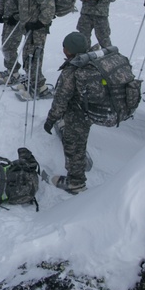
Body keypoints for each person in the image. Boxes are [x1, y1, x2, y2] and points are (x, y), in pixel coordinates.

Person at [42, 32, 97, 194]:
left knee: (73, 146)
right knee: (80, 139)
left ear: (69, 50)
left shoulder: (71, 71)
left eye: (65, 46)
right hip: (91, 110)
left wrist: (50, 120)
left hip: (77, 114)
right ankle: (80, 160)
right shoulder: (93, 60)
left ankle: (76, 183)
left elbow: (60, 101)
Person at [12, 0, 56, 98]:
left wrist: (40, 23)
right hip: (29, 27)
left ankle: (39, 87)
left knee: (34, 57)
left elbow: (49, 5)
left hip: (37, 29)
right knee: (27, 56)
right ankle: (31, 81)